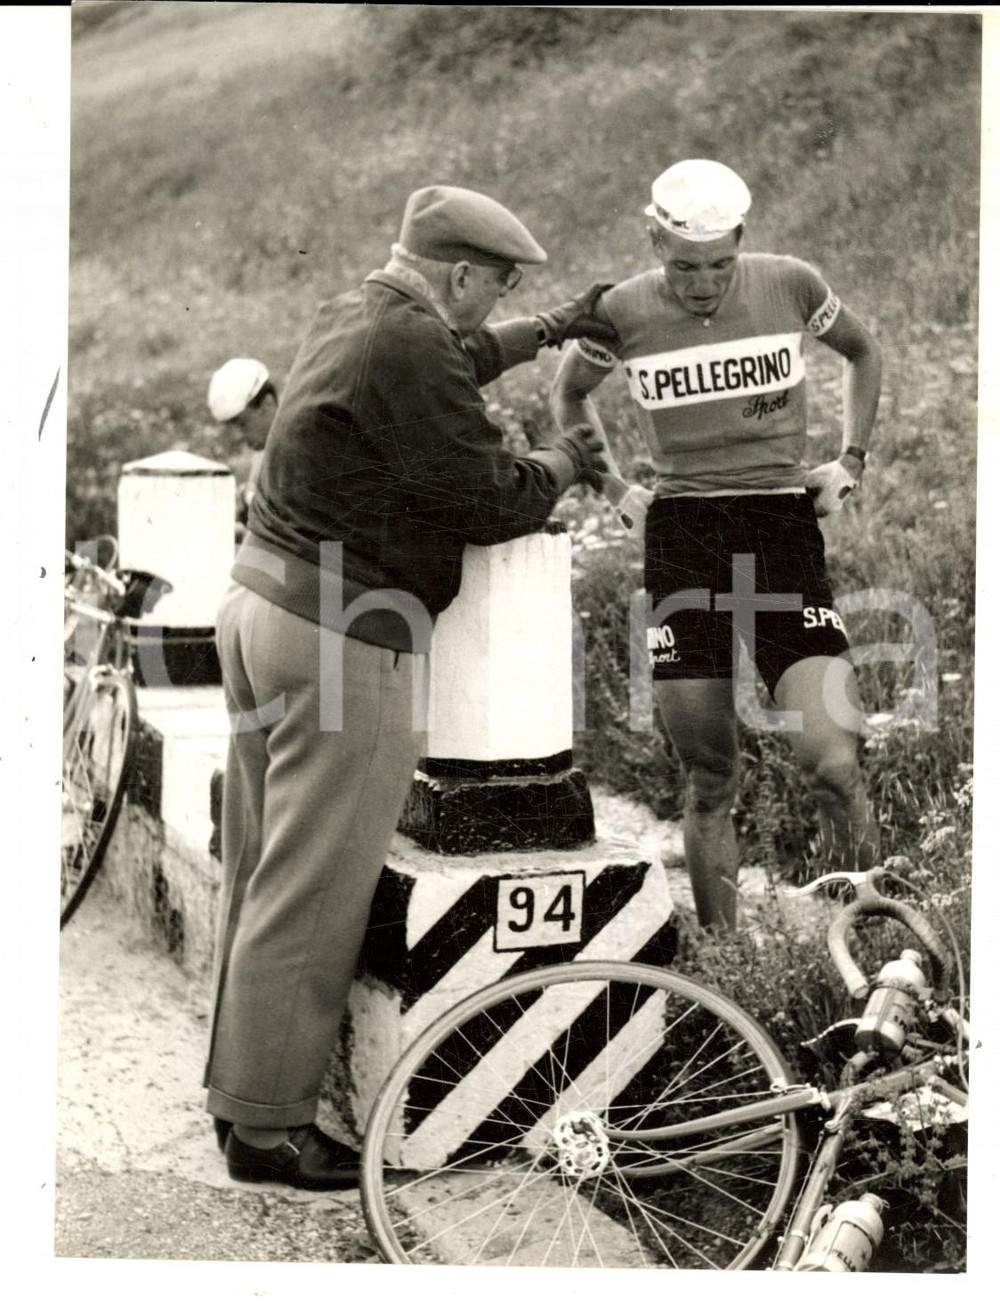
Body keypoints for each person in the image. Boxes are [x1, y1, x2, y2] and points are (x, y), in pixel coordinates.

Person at [204, 184, 613, 1189]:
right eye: (498, 287)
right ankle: (269, 1135)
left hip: (260, 611)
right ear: (460, 273)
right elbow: (482, 497)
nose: (494, 302)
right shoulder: (413, 340)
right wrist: (566, 459)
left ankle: (241, 1102)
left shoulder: (357, 310)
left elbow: (454, 361)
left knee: (264, 868)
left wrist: (549, 329)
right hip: (341, 637)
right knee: (312, 889)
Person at [551, 158, 882, 930]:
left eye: (721, 263)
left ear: (743, 240)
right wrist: (615, 489)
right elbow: (567, 392)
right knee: (710, 775)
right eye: (685, 264)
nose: (703, 283)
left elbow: (864, 352)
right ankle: (726, 964)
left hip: (780, 527)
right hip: (685, 537)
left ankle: (879, 948)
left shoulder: (791, 282)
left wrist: (850, 461)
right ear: (653, 237)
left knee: (834, 765)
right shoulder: (621, 310)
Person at [207, 357, 279, 534]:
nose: (237, 436)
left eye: (241, 424)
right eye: (230, 427)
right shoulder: (263, 454)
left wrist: (254, 540)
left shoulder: (309, 450)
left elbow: (332, 536)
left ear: (267, 405)